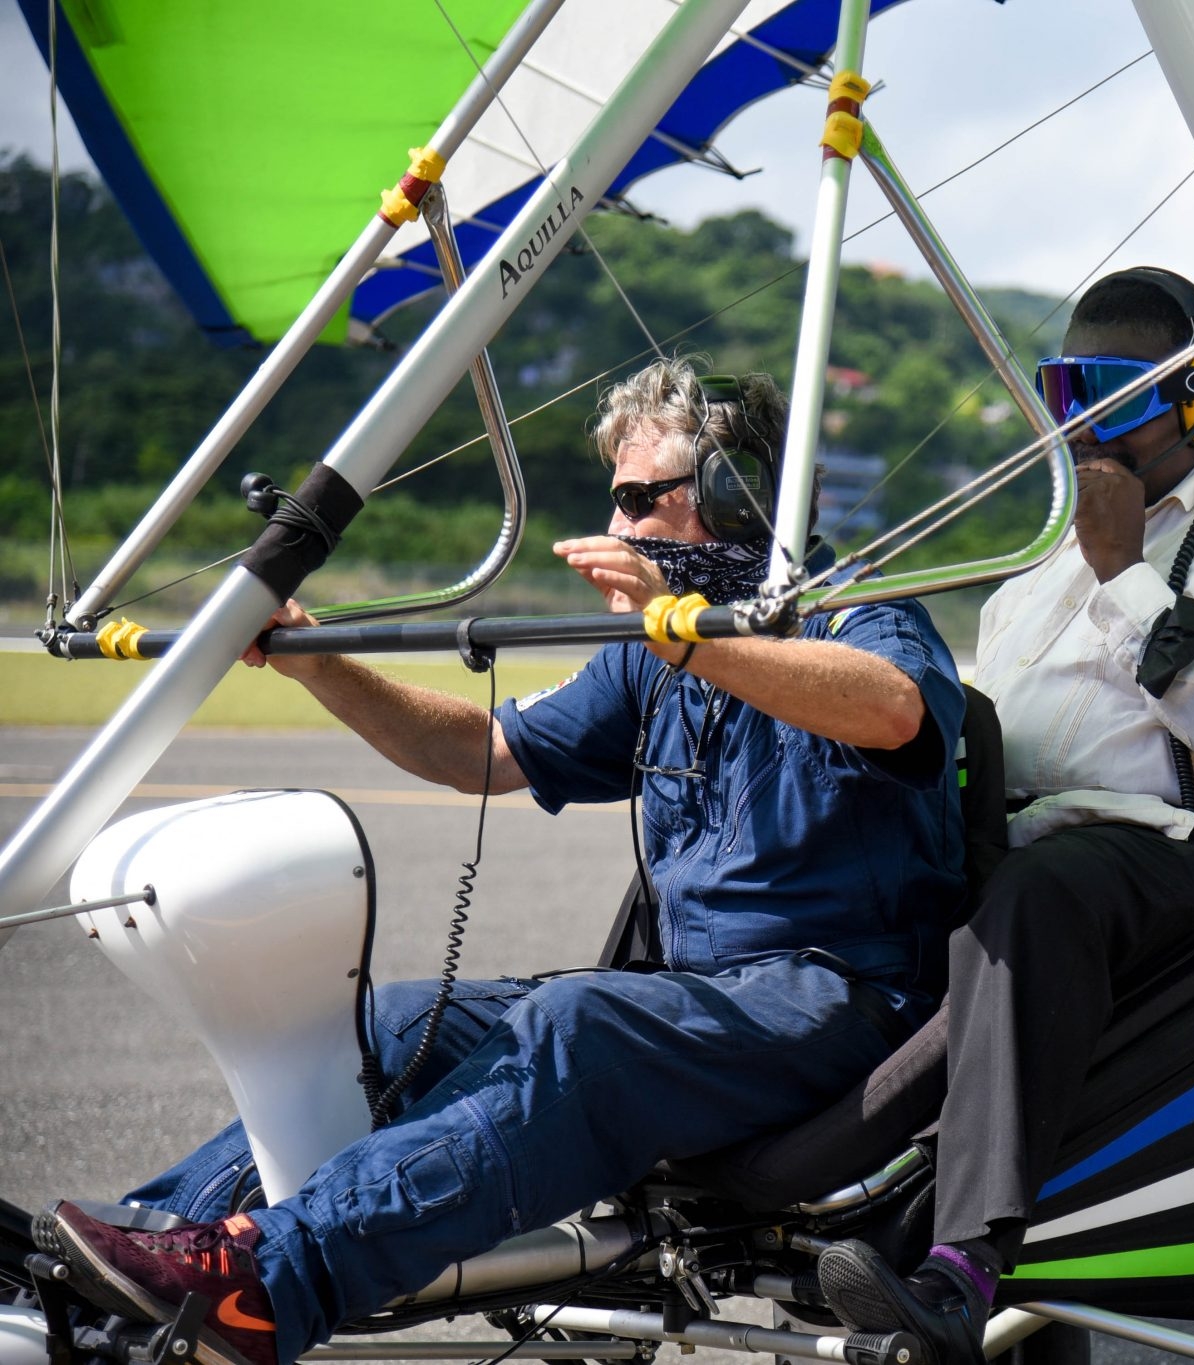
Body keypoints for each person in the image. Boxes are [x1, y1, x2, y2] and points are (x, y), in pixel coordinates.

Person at [39, 360, 968, 1365]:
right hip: (707, 1003)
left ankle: (271, 1279)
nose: (614, 533)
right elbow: (479, 754)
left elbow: (892, 708)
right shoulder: (652, 654)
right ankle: (135, 1248)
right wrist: (317, 660)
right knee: (396, 1023)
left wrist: (685, 637)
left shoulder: (861, 611)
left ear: (728, 496)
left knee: (579, 1026)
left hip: (838, 1006)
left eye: (634, 501)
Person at [816, 268, 1194, 1364]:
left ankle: (963, 1256)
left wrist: (1125, 572)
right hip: (1022, 838)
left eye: (1113, 394)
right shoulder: (1036, 562)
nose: (1080, 424)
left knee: (1039, 893)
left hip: (1177, 851)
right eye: (1064, 390)